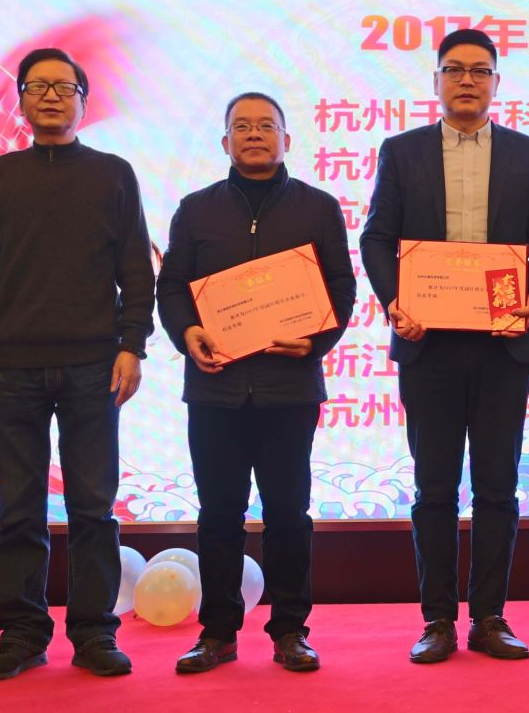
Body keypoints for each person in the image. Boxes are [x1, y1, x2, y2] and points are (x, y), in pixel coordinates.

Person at [359, 28, 529, 662]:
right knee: (434, 490)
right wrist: (395, 301)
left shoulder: (528, 153)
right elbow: (376, 237)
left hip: (503, 343)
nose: (467, 80)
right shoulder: (402, 152)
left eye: (479, 71)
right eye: (455, 69)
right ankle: (438, 619)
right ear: (436, 81)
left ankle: (490, 617)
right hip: (430, 343)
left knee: (497, 487)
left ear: (497, 83)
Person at [0, 48, 154, 680]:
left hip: (94, 366)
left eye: (63, 87)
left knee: (93, 507)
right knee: (18, 510)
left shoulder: (114, 174)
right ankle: (21, 634)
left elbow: (136, 269)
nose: (50, 96)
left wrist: (132, 345)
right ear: (20, 100)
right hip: (12, 367)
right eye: (37, 86)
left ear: (82, 101)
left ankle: (95, 632)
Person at [156, 92, 356, 674]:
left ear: (286, 140)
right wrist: (188, 333)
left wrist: (314, 342)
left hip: (288, 389)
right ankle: (217, 632)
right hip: (215, 389)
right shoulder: (196, 210)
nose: (253, 134)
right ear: (225, 142)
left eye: (265, 125)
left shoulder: (318, 208)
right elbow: (172, 286)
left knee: (289, 513)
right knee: (219, 514)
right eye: (241, 126)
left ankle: (290, 629)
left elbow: (341, 289)